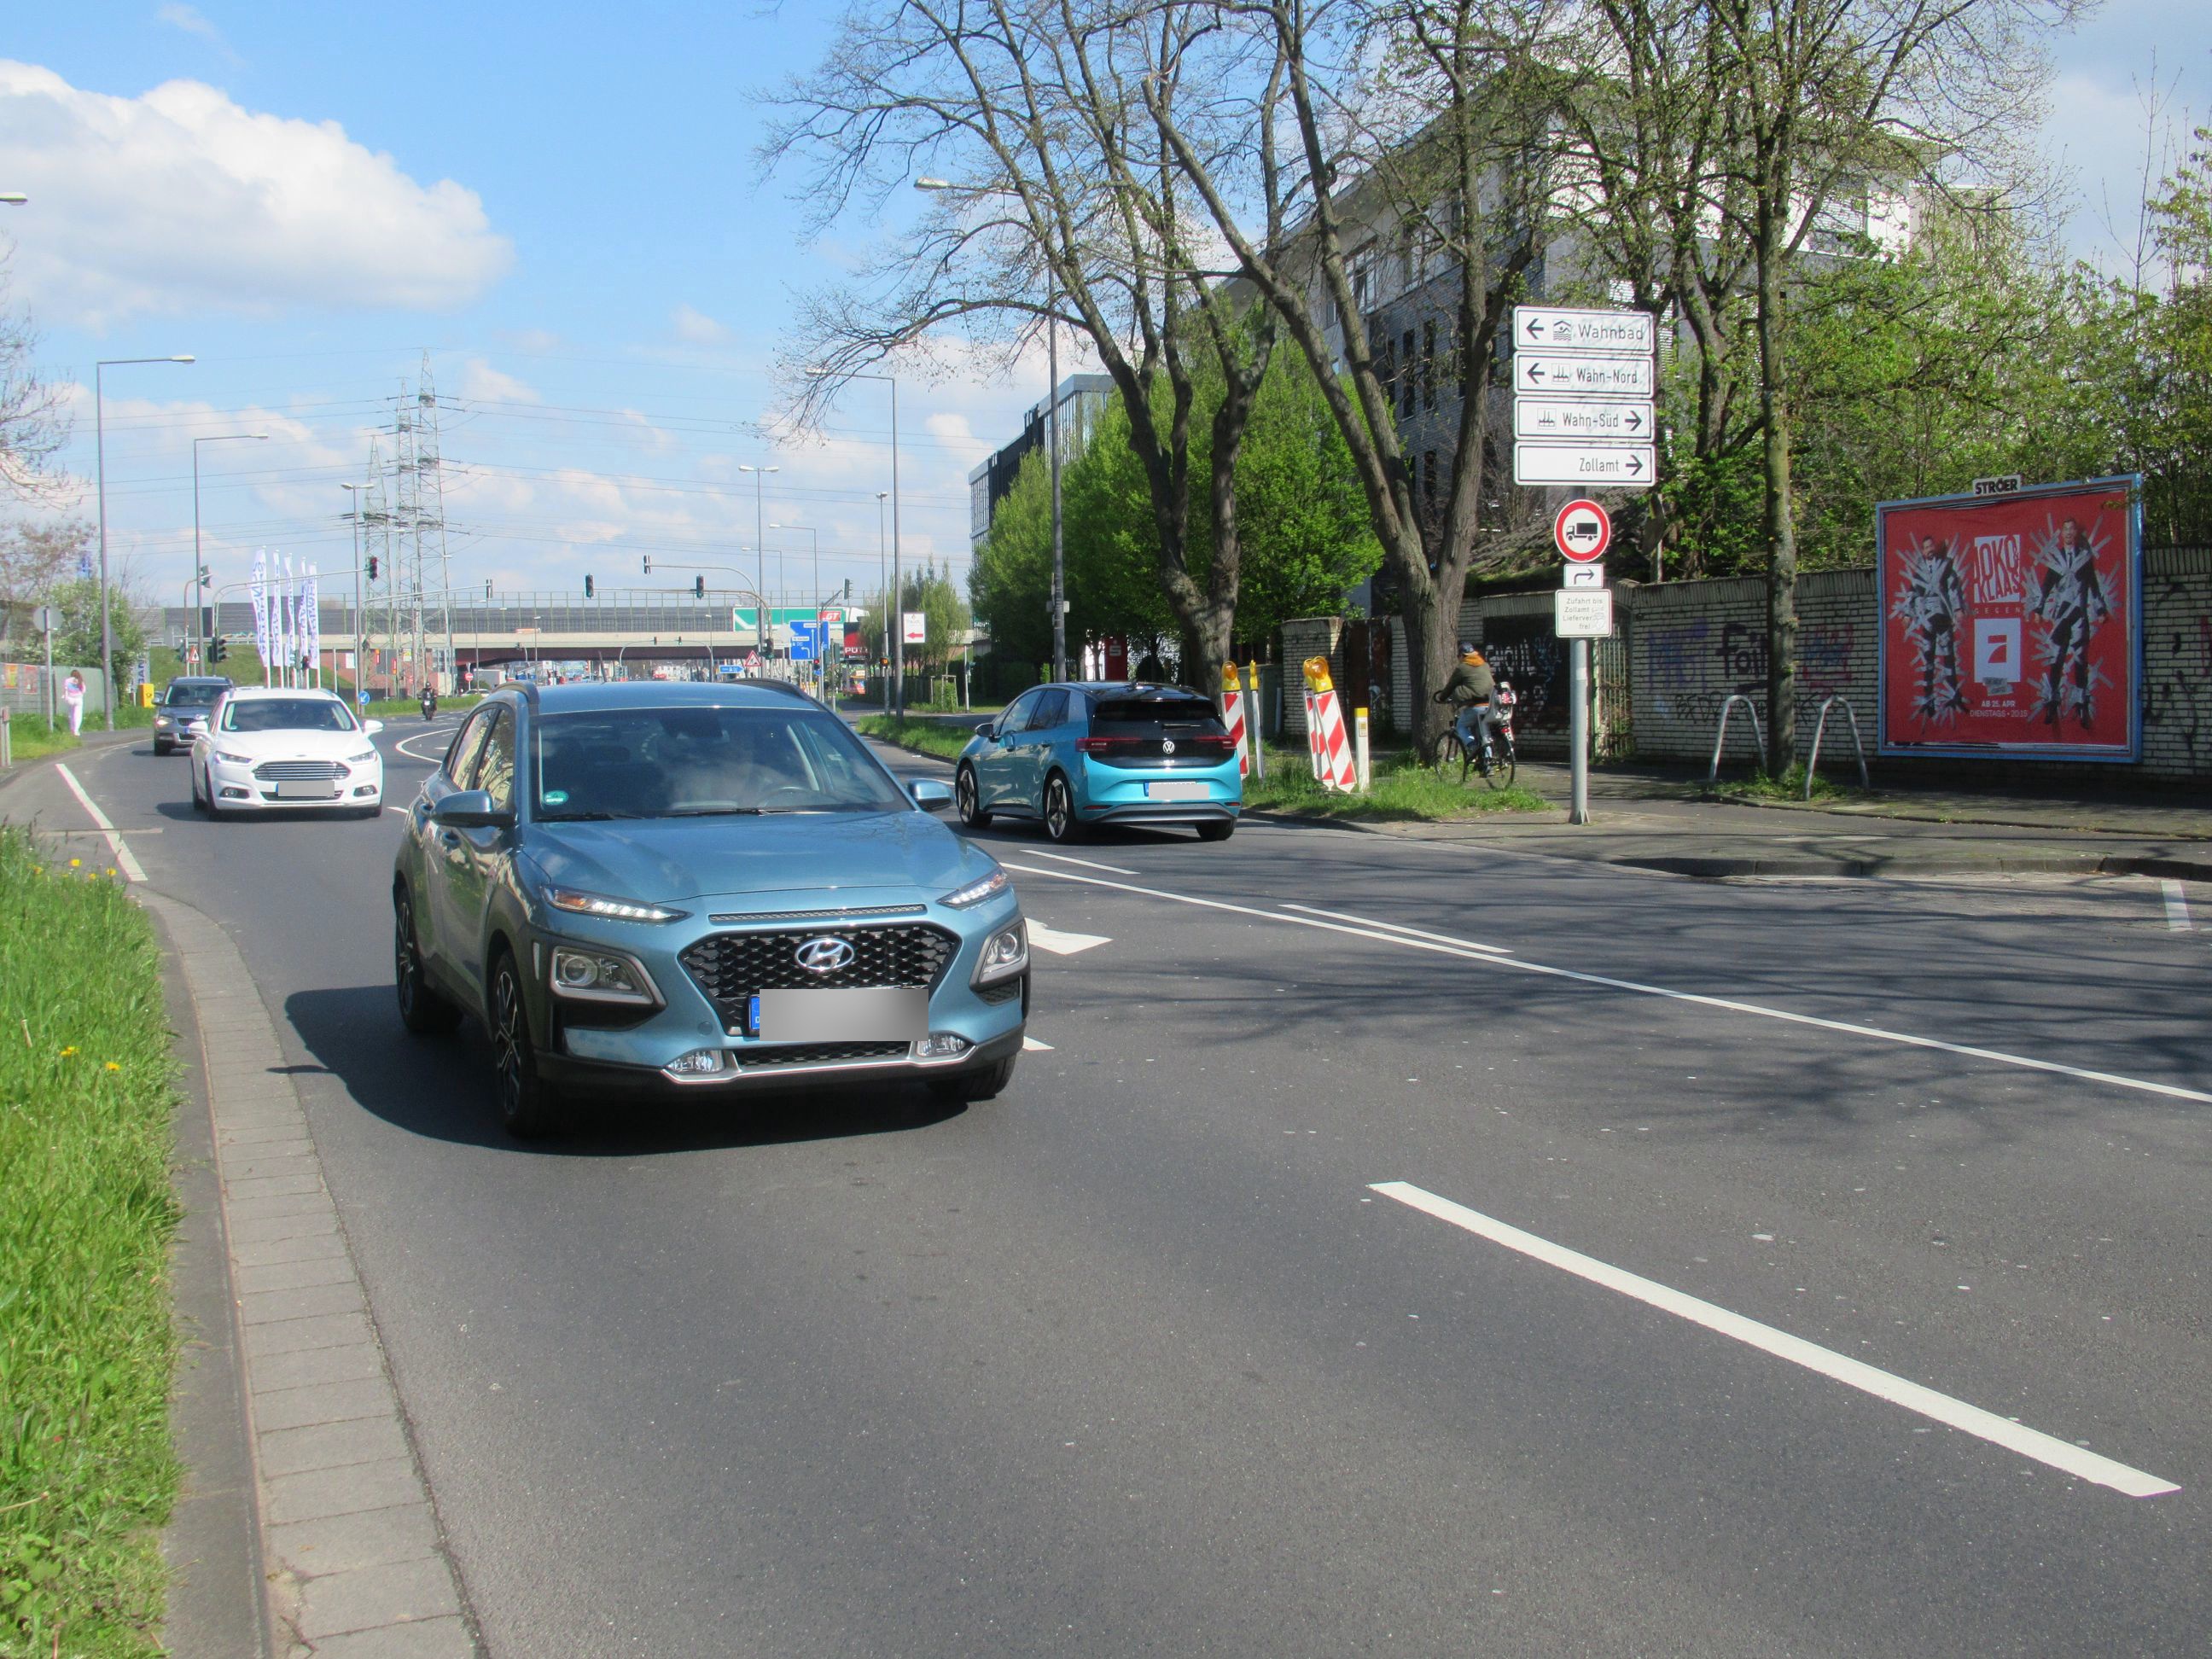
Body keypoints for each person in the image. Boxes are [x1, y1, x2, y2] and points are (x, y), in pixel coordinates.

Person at [1434, 643, 1499, 765]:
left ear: (1462, 656)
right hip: (1490, 706)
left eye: (1458, 656)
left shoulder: (1462, 668)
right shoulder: (1485, 665)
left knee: (1460, 726)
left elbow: (1450, 686)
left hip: (1476, 707)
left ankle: (1472, 746)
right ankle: (1487, 765)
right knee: (1484, 735)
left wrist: (1442, 697)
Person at [62, 669, 85, 736]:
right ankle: (76, 730)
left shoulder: (67, 680)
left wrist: (65, 696)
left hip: (70, 699)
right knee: (78, 715)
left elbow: (65, 689)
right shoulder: (80, 680)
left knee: (71, 714)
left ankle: (72, 729)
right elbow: (83, 690)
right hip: (78, 699)